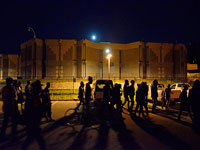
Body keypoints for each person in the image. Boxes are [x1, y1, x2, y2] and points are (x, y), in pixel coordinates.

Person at [22, 80, 46, 150]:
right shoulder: (34, 97)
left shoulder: (35, 96)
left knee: (31, 139)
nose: (41, 89)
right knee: (38, 140)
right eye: (40, 87)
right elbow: (35, 110)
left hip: (34, 122)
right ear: (37, 88)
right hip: (33, 122)